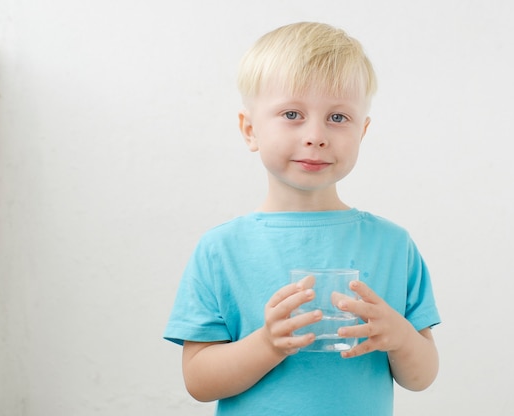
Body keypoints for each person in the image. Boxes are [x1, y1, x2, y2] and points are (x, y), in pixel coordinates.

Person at [164, 21, 441, 415]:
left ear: (362, 132)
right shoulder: (221, 249)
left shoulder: (394, 245)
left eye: (338, 118)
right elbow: (198, 382)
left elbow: (422, 376)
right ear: (250, 129)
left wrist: (400, 337)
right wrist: (268, 344)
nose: (316, 135)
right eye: (292, 113)